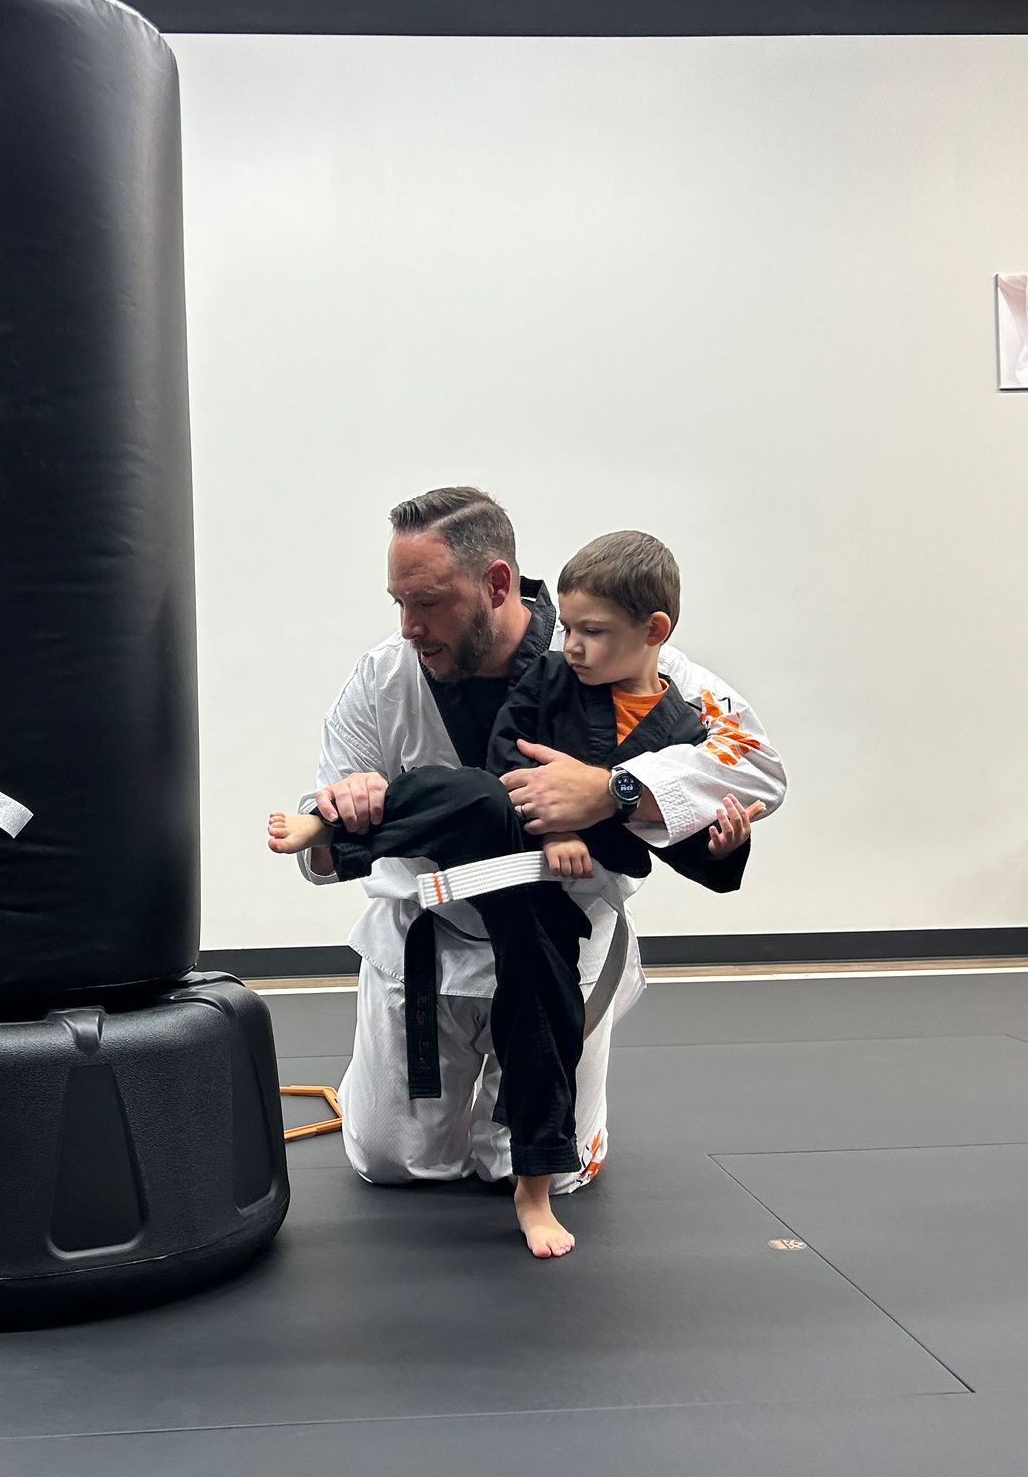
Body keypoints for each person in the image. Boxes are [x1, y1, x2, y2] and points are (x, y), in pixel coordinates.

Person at [283, 488, 785, 1247]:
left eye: (428, 602)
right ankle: (390, 1088)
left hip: (561, 929)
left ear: (496, 583)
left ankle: (562, 1118)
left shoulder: (622, 654)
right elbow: (320, 847)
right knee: (394, 1161)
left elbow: (758, 770)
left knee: (526, 1162)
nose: (409, 625)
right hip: (430, 932)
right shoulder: (384, 678)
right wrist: (340, 810)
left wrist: (611, 790)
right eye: (399, 602)